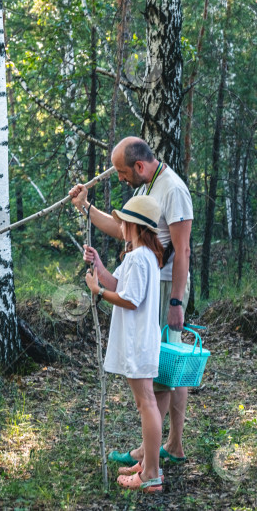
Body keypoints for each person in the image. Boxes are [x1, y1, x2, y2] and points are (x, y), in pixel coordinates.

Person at [70, 136, 193, 466]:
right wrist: (86, 207)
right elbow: (123, 227)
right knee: (158, 370)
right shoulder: (146, 188)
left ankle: (171, 445)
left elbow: (182, 250)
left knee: (169, 368)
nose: (121, 179)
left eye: (123, 172)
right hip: (149, 284)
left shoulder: (172, 189)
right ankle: (153, 447)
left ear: (139, 166)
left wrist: (177, 302)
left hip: (166, 289)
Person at [83, 195, 164, 492]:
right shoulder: (137, 256)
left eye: (123, 221)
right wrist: (99, 266)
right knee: (145, 403)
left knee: (146, 404)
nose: (119, 225)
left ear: (134, 225)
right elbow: (118, 284)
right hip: (137, 341)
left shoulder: (141, 258)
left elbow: (129, 300)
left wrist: (97, 292)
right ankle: (149, 465)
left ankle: (151, 475)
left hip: (139, 341)